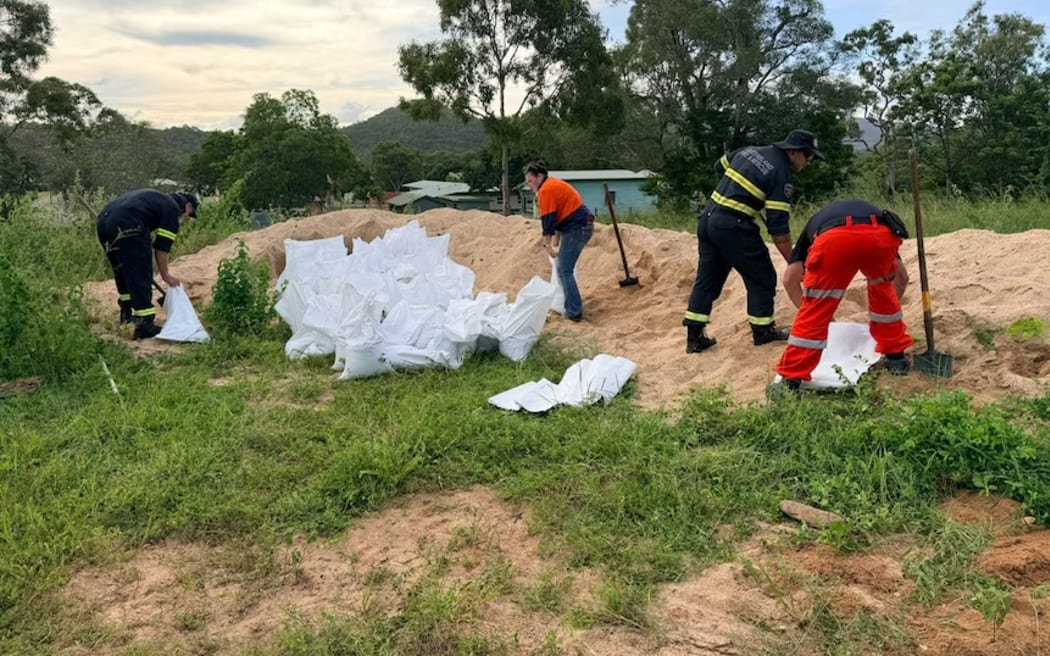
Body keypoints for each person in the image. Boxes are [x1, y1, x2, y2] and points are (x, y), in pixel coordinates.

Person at [683, 129, 824, 353]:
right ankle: (763, 331)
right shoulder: (781, 174)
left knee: (708, 278)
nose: (810, 161)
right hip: (733, 226)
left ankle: (694, 337)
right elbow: (779, 230)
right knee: (762, 276)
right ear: (794, 152)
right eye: (809, 156)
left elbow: (719, 166)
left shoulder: (750, 151)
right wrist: (795, 262)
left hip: (708, 218)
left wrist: (739, 190)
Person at [770, 198, 914, 395]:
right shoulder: (869, 214)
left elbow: (789, 279)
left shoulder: (812, 227)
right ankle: (896, 356)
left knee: (816, 306)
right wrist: (886, 309)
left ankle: (790, 379)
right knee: (883, 289)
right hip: (880, 235)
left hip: (835, 239)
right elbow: (902, 277)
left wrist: (822, 318)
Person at [96, 189, 198, 339]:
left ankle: (127, 313)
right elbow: (162, 248)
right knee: (140, 270)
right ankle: (144, 324)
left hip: (104, 221)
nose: (186, 217)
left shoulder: (157, 199)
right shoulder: (172, 210)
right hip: (128, 223)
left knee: (122, 269)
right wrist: (165, 275)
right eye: (189, 214)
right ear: (188, 206)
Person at [524, 161, 595, 322]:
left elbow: (548, 221)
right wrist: (555, 240)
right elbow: (557, 218)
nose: (529, 185)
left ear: (539, 176)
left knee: (564, 269)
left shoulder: (546, 190)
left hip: (577, 228)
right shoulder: (552, 184)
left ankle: (574, 312)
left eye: (530, 181)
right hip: (576, 226)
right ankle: (571, 306)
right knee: (564, 268)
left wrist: (548, 245)